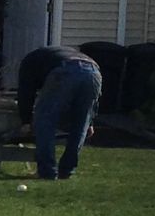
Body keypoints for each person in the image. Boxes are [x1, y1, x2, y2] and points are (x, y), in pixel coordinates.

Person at [17, 44, 103, 180]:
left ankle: (47, 171)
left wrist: (26, 121)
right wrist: (90, 121)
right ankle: (66, 170)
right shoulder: (53, 55)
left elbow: (25, 93)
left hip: (65, 70)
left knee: (45, 121)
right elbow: (92, 102)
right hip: (94, 72)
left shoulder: (29, 62)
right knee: (81, 125)